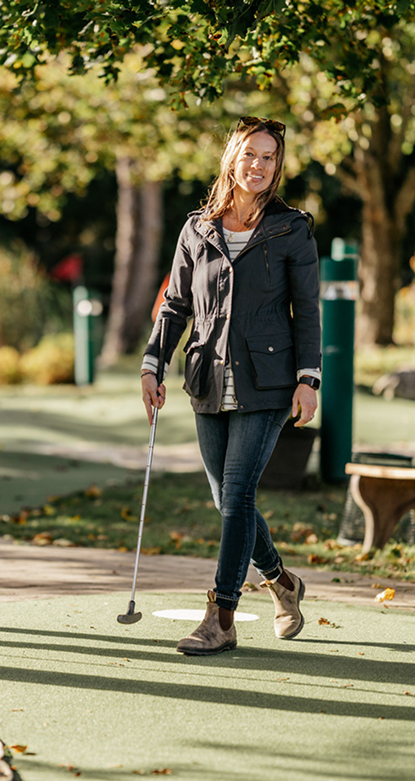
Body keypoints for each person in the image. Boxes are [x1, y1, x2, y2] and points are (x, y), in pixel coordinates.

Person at [140, 116, 321, 656]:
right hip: (207, 376)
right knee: (226, 499)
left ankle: (221, 616)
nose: (258, 165)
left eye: (269, 157)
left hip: (268, 381)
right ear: (232, 159)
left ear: (277, 166)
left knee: (238, 493)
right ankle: (283, 582)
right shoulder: (197, 229)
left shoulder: (292, 228)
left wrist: (308, 379)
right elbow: (175, 304)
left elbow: (307, 309)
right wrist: (153, 364)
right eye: (250, 154)